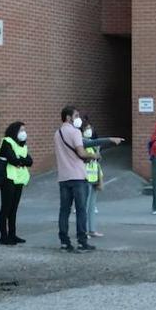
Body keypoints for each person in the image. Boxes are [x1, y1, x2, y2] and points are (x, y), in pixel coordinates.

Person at [55, 106, 96, 252]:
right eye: (76, 115)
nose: (78, 118)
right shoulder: (75, 132)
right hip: (78, 176)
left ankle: (64, 242)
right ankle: (82, 242)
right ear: (68, 117)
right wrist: (93, 155)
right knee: (81, 210)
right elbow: (81, 152)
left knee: (64, 210)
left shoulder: (57, 133)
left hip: (63, 176)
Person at [81, 119, 124, 238]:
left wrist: (100, 177)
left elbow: (97, 161)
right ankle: (83, 230)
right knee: (84, 206)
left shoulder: (94, 145)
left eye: (90, 128)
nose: (88, 131)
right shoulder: (81, 143)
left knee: (92, 206)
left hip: (94, 175)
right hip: (85, 177)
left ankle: (92, 229)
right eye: (86, 129)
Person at [0, 122, 32, 245]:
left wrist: (20, 161)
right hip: (8, 179)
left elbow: (30, 161)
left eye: (24, 130)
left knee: (14, 208)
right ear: (15, 131)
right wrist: (21, 161)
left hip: (19, 180)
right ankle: (3, 236)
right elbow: (12, 159)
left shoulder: (22, 145)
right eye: (21, 130)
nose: (24, 133)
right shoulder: (7, 142)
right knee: (6, 208)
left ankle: (12, 234)